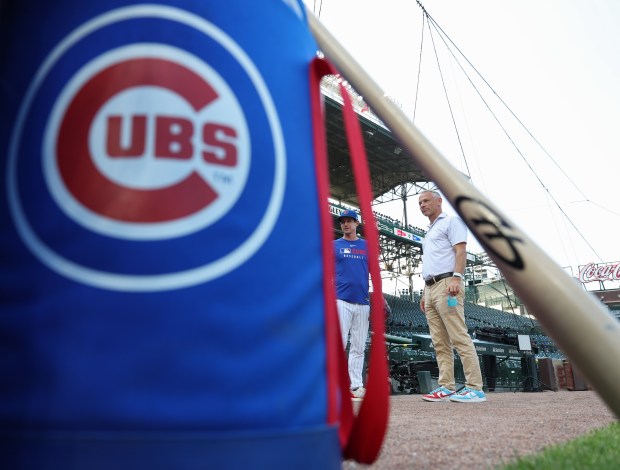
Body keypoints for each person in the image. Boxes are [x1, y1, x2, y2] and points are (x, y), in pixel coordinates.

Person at [418, 190, 486, 403]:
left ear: (439, 201)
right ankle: (446, 386)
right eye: (420, 202)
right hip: (430, 287)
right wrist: (424, 292)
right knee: (439, 342)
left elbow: (460, 251)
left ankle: (475, 388)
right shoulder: (429, 231)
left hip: (448, 283)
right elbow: (431, 263)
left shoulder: (451, 222)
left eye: (426, 200)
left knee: (458, 336)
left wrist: (457, 278)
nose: (422, 205)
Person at [334, 209, 370, 402]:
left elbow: (374, 273)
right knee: (339, 344)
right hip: (341, 300)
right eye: (343, 222)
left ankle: (356, 385)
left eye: (350, 221)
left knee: (358, 347)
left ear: (357, 223)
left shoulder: (367, 246)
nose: (346, 224)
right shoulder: (334, 246)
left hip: (363, 302)